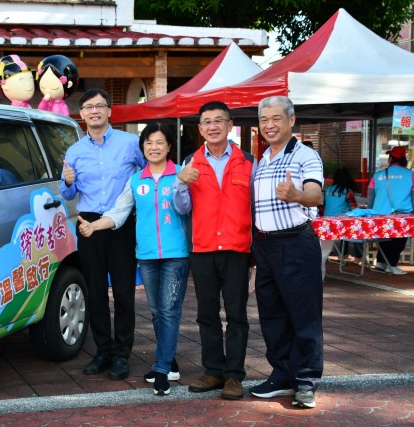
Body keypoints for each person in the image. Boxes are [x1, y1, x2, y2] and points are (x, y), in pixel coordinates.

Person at [78, 122, 190, 396]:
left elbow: (185, 208)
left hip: (176, 254)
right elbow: (119, 212)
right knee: (156, 312)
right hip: (147, 255)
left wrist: (181, 184)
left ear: (169, 146)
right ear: (142, 148)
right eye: (148, 143)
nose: (154, 147)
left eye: (160, 142)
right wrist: (94, 226)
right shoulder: (136, 180)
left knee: (169, 310)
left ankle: (161, 369)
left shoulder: (181, 174)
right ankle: (169, 360)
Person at [59, 88, 145, 380]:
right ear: (82, 114)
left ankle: (121, 355)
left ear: (109, 111)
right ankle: (103, 351)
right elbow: (68, 193)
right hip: (89, 224)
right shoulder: (75, 151)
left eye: (99, 106)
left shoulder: (130, 143)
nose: (94, 111)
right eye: (88, 107)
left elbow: (148, 172)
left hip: (122, 224)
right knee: (95, 292)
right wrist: (68, 182)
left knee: (123, 293)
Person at [174, 101, 255, 400]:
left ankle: (234, 375)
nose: (213, 126)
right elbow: (182, 208)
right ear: (200, 128)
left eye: (219, 120)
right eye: (207, 121)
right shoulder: (190, 162)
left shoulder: (248, 161)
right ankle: (213, 371)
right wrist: (180, 184)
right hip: (203, 248)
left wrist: (257, 255)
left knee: (236, 315)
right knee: (206, 314)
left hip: (237, 249)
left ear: (230, 125)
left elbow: (255, 206)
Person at [249, 96, 324, 409]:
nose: (269, 125)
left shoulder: (305, 155)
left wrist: (297, 195)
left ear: (291, 120)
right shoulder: (263, 159)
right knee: (272, 315)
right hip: (265, 246)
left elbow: (315, 193)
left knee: (303, 315)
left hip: (296, 244)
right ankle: (281, 375)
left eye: (276, 118)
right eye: (264, 119)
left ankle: (305, 382)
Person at [367, 145, 414, 275]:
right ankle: (392, 265)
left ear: (391, 159)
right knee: (399, 240)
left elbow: (370, 195)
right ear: (404, 159)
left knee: (385, 238)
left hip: (380, 213)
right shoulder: (410, 175)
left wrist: (370, 211)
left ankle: (381, 262)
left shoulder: (378, 175)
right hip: (402, 214)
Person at [320, 167, 361, 278]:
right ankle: (359, 256)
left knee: (323, 251)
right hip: (341, 223)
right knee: (358, 231)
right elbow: (355, 209)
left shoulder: (328, 190)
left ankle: (342, 256)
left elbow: (324, 206)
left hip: (326, 223)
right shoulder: (348, 192)